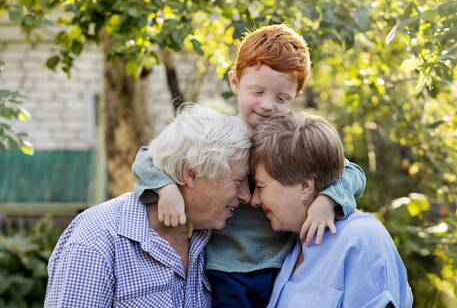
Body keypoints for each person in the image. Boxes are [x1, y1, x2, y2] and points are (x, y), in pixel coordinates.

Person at [131, 24, 366, 307]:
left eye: (281, 98)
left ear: (296, 98)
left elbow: (351, 172)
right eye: (257, 92)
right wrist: (165, 187)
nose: (267, 106)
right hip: (225, 268)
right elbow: (148, 155)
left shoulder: (291, 141)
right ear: (235, 82)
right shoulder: (219, 135)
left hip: (282, 264)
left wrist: (327, 200)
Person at [44, 105, 252, 308]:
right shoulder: (97, 239)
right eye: (238, 182)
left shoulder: (209, 238)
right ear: (191, 174)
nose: (247, 196)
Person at [250, 112, 413, 308]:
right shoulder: (294, 243)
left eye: (260, 186)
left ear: (304, 186)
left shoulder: (362, 238)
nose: (254, 200)